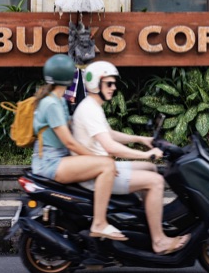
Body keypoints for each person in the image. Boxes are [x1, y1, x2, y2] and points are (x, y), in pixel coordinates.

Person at [72, 61, 191, 255]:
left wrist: (141, 139)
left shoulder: (92, 106)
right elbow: (110, 147)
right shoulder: (89, 109)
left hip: (102, 169)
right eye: (109, 83)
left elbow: (109, 134)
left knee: (150, 169)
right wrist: (146, 154)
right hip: (97, 177)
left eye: (113, 83)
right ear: (96, 85)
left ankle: (148, 224)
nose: (114, 87)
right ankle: (159, 241)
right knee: (156, 182)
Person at [30, 54, 127, 241]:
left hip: (57, 159)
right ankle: (99, 223)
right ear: (69, 76)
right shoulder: (52, 104)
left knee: (105, 164)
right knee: (106, 166)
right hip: (51, 163)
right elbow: (69, 142)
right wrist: (98, 159)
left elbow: (74, 132)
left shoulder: (58, 100)